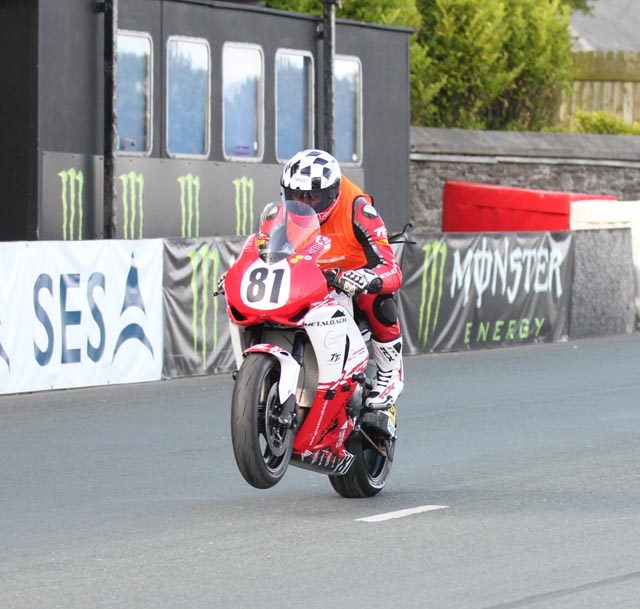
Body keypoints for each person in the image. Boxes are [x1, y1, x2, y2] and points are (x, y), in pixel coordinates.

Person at [280, 148, 403, 410]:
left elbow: (391, 268)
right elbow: (265, 250)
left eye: (313, 196)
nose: (305, 203)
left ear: (333, 192)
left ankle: (390, 372)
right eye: (297, 195)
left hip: (352, 276)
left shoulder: (359, 209)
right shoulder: (285, 214)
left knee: (379, 301)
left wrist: (367, 278)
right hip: (310, 278)